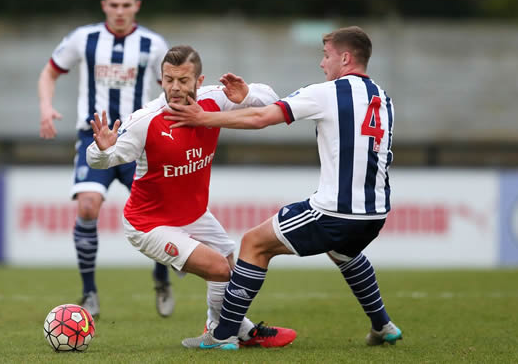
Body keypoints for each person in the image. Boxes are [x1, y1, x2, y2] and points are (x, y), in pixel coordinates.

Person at [166, 26, 403, 350]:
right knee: (343, 252)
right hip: (376, 213)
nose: (322, 64)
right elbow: (286, 106)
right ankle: (383, 325)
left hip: (336, 211)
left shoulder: (328, 92)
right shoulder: (382, 98)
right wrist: (248, 97)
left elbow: (264, 117)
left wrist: (203, 119)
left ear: (345, 58)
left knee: (253, 243)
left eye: (326, 55)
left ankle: (221, 336)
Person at [86, 45, 297, 348]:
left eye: (183, 80)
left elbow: (272, 102)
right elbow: (102, 161)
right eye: (168, 79)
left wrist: (247, 93)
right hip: (148, 223)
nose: (174, 87)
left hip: (194, 214)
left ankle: (229, 329)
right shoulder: (146, 120)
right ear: (161, 80)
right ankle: (224, 334)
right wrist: (101, 148)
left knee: (230, 264)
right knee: (218, 269)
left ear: (199, 82)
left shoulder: (215, 99)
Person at [37, 0, 174, 318]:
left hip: (134, 139)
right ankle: (89, 293)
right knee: (87, 208)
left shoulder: (154, 45)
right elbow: (49, 73)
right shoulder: (84, 38)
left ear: (136, 7)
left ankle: (160, 277)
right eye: (114, 5)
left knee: (155, 214)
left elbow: (170, 90)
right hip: (92, 137)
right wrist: (45, 107)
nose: (120, 12)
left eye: (126, 5)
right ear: (104, 6)